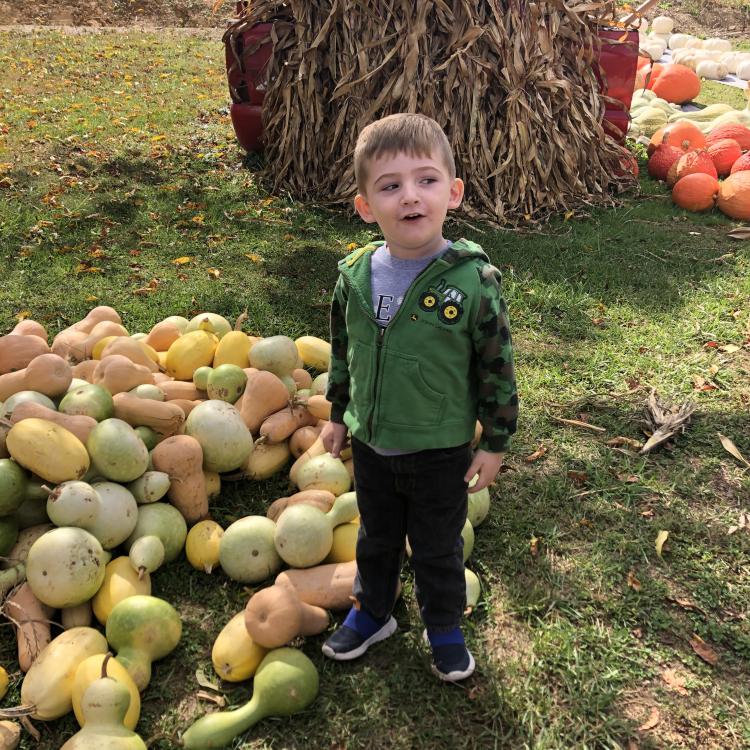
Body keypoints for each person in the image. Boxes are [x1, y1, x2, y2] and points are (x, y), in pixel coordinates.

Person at [319, 112, 518, 682]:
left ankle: (444, 627)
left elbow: (497, 368)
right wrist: (338, 412)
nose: (410, 196)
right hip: (373, 443)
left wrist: (495, 443)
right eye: (390, 186)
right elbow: (343, 351)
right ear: (366, 206)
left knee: (436, 547)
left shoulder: (472, 281)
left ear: (452, 193)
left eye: (426, 180)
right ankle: (373, 612)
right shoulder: (354, 277)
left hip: (440, 447)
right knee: (376, 537)